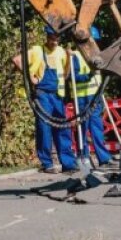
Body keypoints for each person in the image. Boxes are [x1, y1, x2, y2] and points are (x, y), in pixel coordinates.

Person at [12, 26, 77, 174]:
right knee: (44, 128)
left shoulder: (61, 52)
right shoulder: (37, 51)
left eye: (57, 38)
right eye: (52, 38)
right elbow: (17, 60)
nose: (55, 41)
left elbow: (65, 74)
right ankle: (47, 163)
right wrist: (30, 77)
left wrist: (68, 61)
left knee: (62, 128)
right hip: (42, 95)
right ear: (47, 37)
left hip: (57, 95)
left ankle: (68, 163)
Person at [67, 26, 111, 166]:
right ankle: (83, 156)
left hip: (95, 96)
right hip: (81, 98)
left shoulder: (97, 56)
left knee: (97, 128)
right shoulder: (76, 56)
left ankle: (103, 157)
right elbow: (73, 77)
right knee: (82, 128)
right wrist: (88, 76)